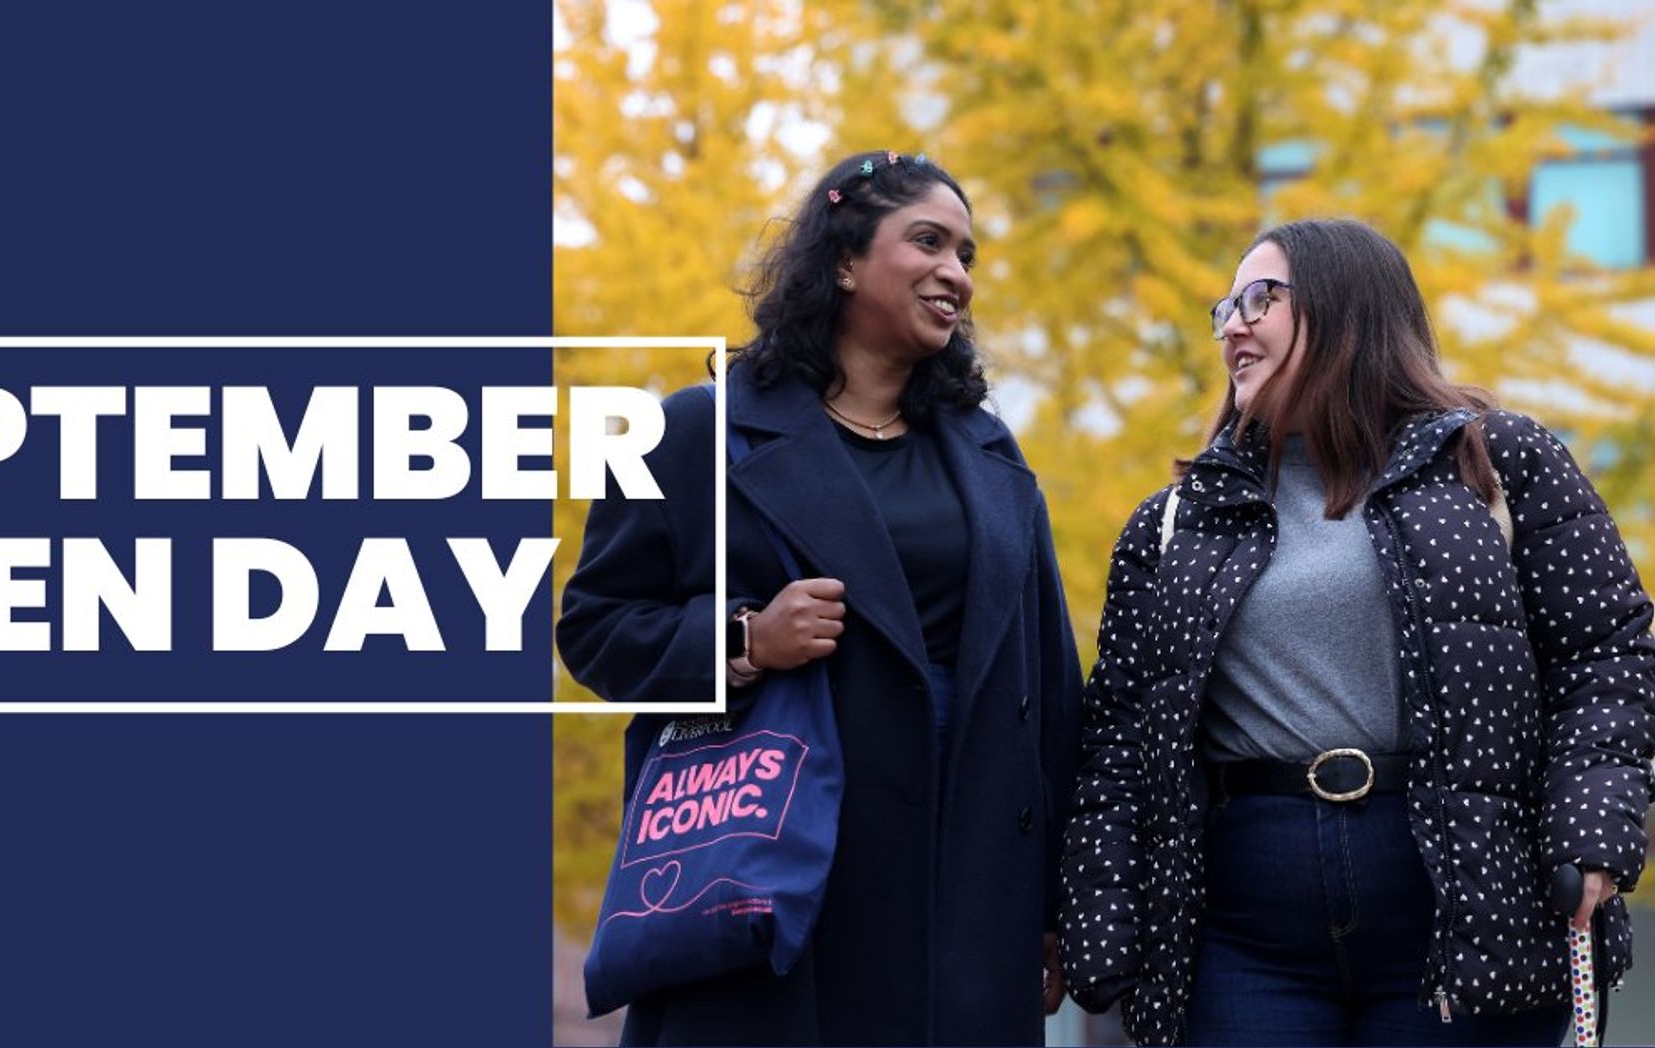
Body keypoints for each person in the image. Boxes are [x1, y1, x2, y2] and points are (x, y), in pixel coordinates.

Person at [1058, 217, 1655, 1046]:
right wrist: (1099, 919)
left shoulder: (1498, 461)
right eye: (1224, 306)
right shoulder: (1172, 526)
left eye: (1260, 297)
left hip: (1468, 908)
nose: (1233, 323)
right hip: (1242, 933)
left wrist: (1592, 822)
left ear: (1350, 309)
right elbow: (1118, 740)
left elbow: (1606, 653)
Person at [557, 150, 1085, 1046]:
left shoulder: (996, 457)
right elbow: (594, 627)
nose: (954, 273)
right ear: (843, 261)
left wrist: (1054, 904)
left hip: (969, 883)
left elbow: (1053, 686)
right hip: (781, 871)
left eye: (966, 255)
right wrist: (747, 638)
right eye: (928, 242)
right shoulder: (696, 432)